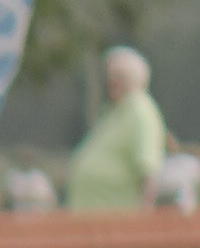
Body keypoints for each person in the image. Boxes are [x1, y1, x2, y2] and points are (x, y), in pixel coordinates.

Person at [65, 46, 172, 211]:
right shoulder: (115, 111)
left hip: (117, 220)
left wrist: (143, 219)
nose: (112, 82)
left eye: (120, 76)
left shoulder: (140, 112)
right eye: (111, 75)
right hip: (90, 217)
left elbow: (148, 173)